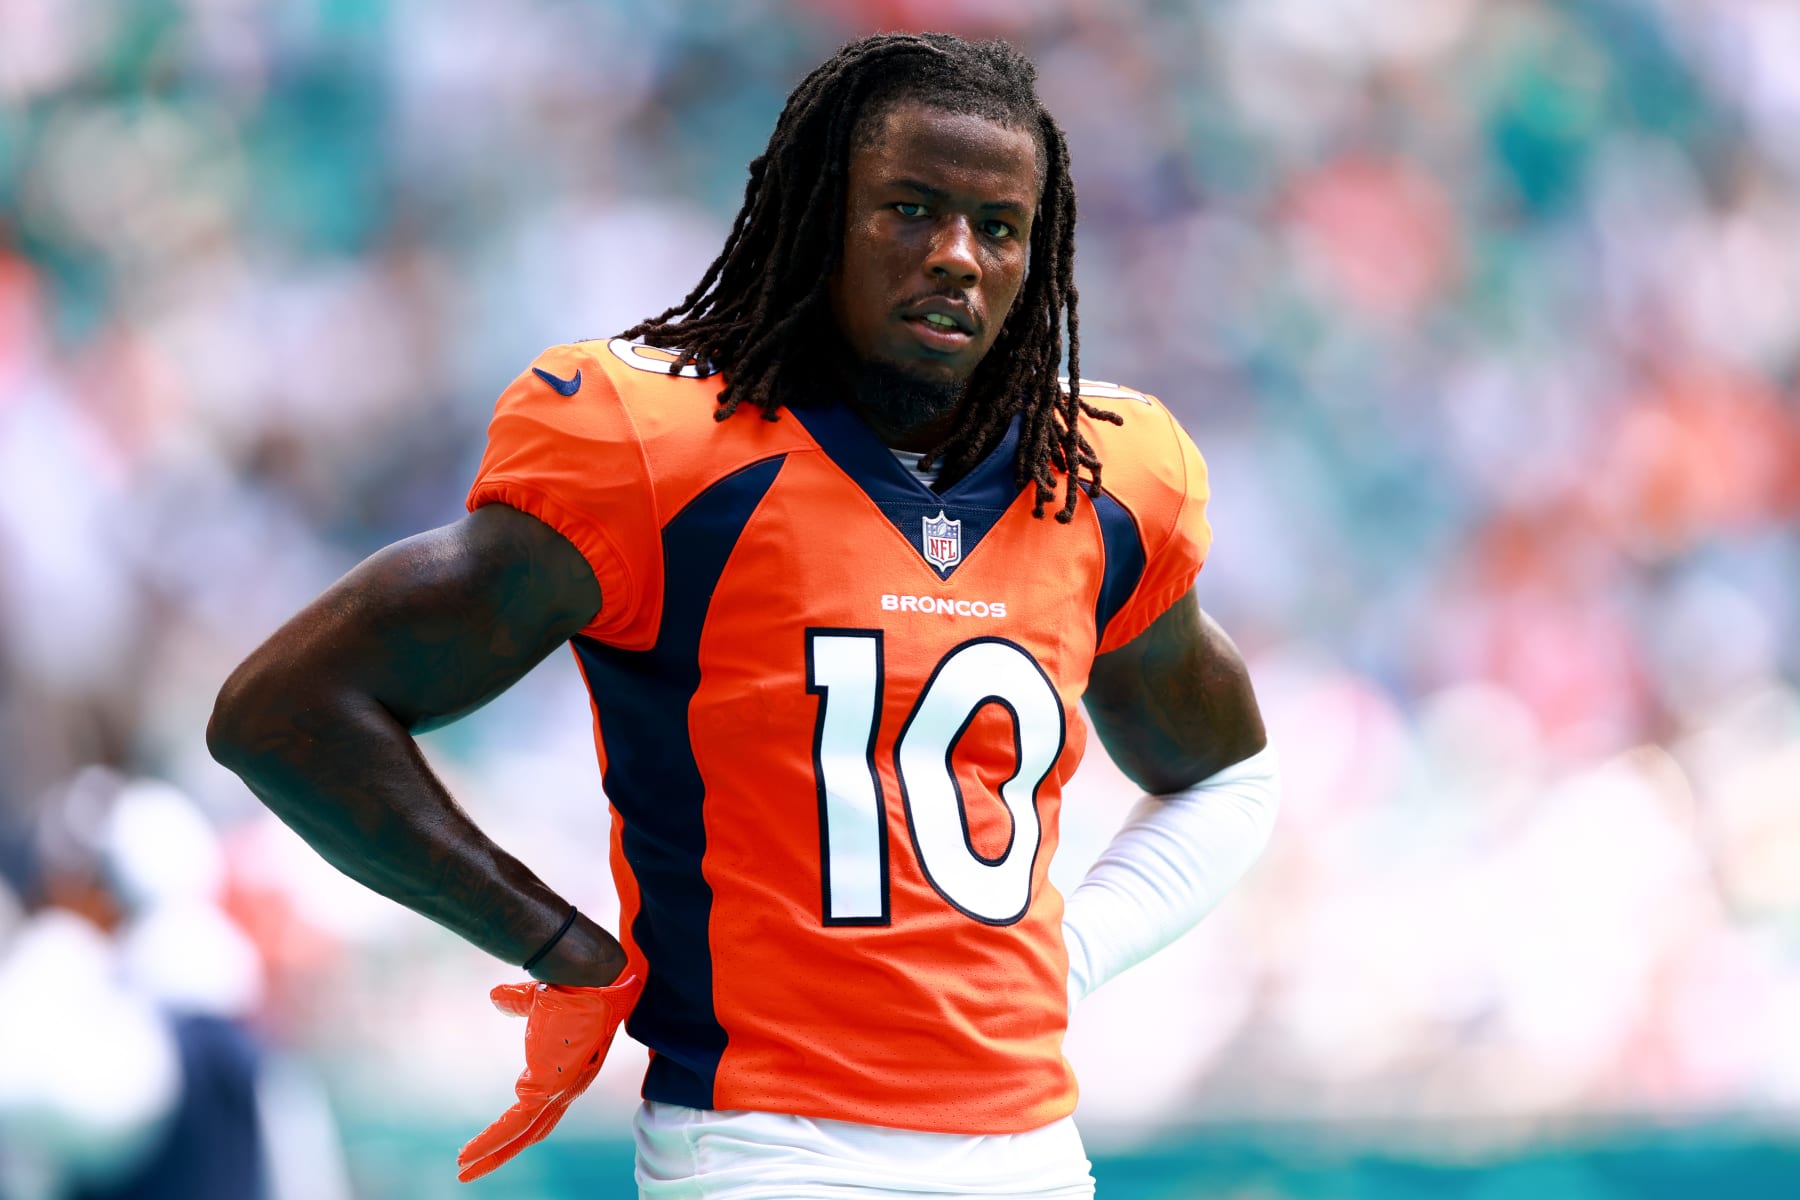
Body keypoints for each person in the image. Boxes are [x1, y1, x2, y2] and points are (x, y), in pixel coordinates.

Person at [208, 31, 1279, 1199]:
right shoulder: (663, 450)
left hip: (1031, 1153)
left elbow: (1228, 775)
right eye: (911, 209)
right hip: (765, 1149)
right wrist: (559, 945)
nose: (957, 256)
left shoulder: (1102, 479)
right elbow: (287, 711)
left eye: (1000, 226)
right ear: (819, 218)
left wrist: (1071, 954)